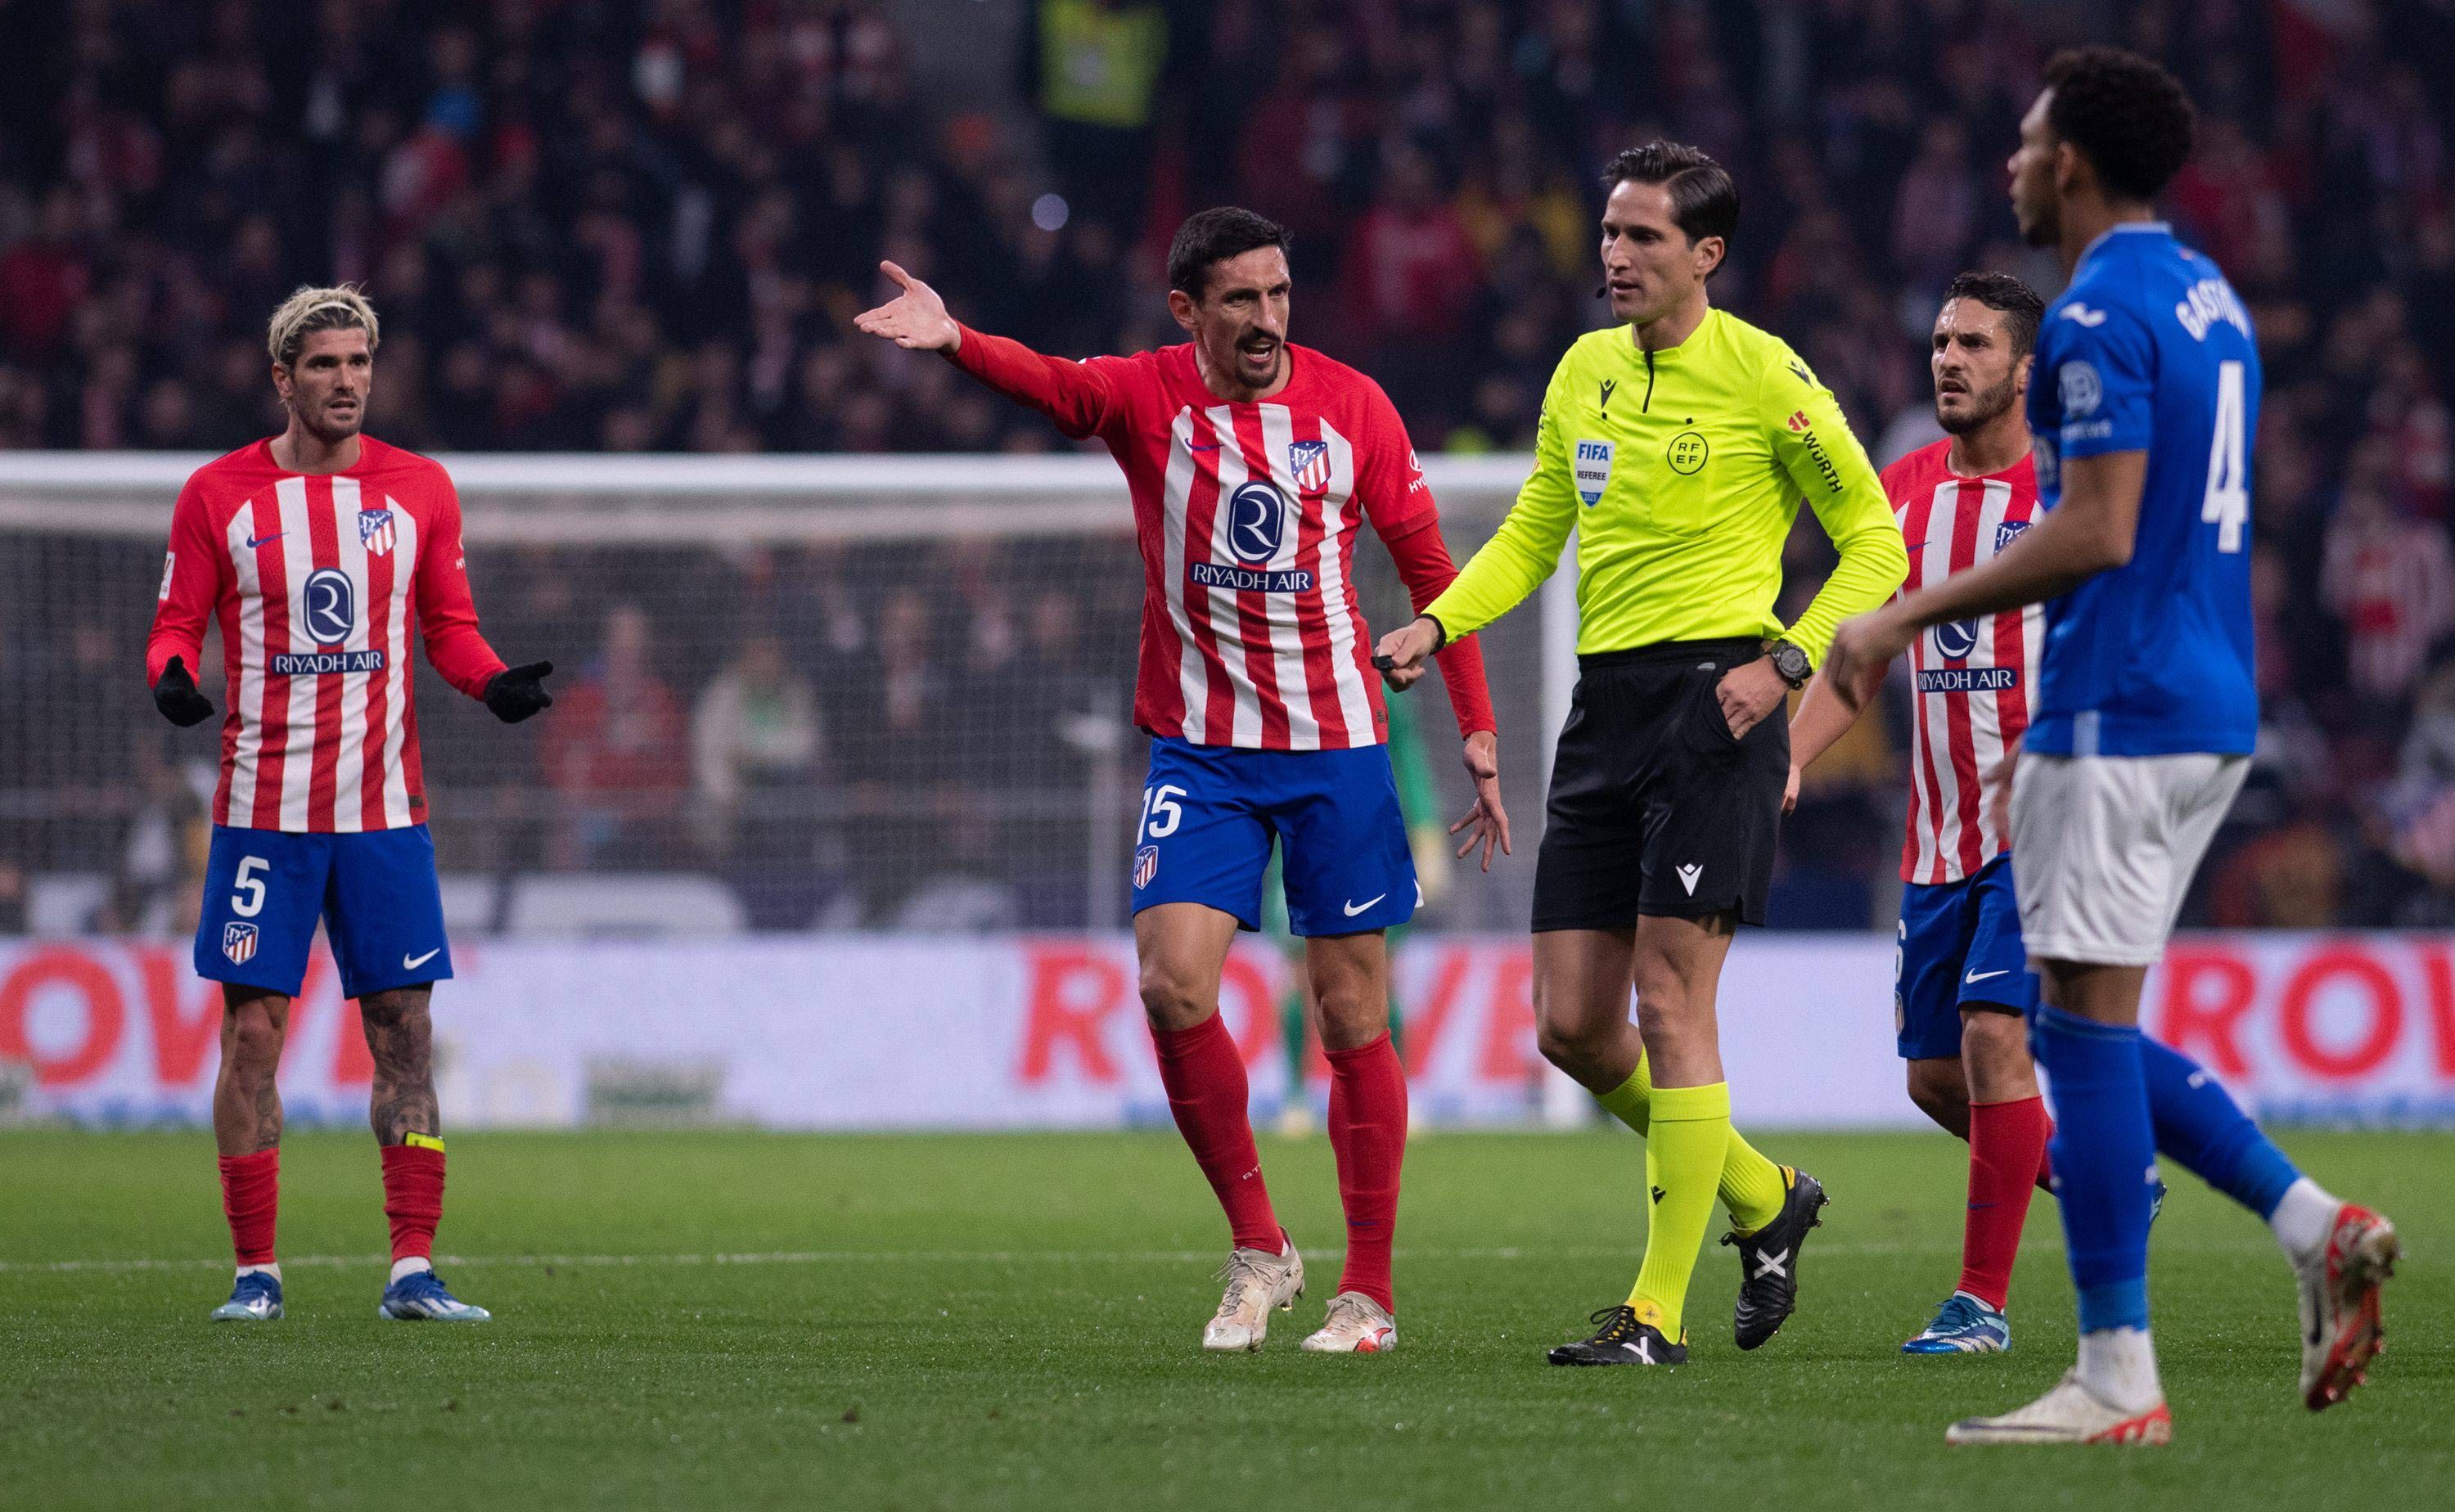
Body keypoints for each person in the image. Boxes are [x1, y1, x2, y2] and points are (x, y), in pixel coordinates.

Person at [1826, 48, 2399, 1445]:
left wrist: (1902, 618)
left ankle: (2117, 1369)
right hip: (2209, 701)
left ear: (2070, 161)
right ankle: (2312, 1223)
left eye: (2026, 144)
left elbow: (2098, 525)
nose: (2012, 166)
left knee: (2049, 1030)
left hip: (2115, 707)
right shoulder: (2213, 300)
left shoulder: (2091, 315)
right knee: (2083, 1020)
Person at [855, 206, 1506, 1354]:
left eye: (1281, 295)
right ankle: (1261, 1247)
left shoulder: (1354, 407)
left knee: (1352, 1012)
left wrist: (1481, 737)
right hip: (1201, 752)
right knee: (1171, 986)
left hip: (1338, 748)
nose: (1266, 320)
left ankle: (1369, 1293)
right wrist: (955, 339)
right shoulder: (1148, 396)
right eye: (1242, 299)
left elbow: (1430, 572)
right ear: (1187, 310)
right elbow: (1052, 385)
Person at [1376, 142, 1910, 1368]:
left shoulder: (1766, 373)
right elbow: (1532, 533)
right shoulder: (1584, 373)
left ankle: (1652, 1314)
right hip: (1605, 710)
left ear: (1705, 254)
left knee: (1671, 1007)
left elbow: (1875, 543)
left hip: (1718, 706)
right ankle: (1768, 1198)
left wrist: (1784, 662)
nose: (1613, 256)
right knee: (1572, 1026)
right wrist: (1438, 619)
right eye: (1610, 234)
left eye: (1643, 239)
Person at [145, 285, 554, 1325]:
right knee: (252, 1036)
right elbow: (172, 627)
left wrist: (493, 681)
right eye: (324, 366)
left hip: (382, 812)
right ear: (284, 378)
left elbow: (450, 630)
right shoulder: (217, 494)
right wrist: (175, 681)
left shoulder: (419, 489)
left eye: (359, 364)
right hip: (260, 807)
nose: (346, 383)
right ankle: (255, 1276)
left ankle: (412, 1269)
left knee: (405, 1030)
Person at [1789, 272, 2067, 1354]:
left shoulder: (2069, 495)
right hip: (1938, 831)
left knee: (1996, 1036)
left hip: (2044, 824)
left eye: (1975, 346)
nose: (1947, 360)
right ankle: (2091, 1178)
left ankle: (1979, 1307)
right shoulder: (1899, 491)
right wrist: (1793, 759)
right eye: (1941, 341)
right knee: (1935, 1078)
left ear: (2025, 371)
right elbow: (1860, 653)